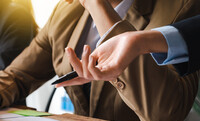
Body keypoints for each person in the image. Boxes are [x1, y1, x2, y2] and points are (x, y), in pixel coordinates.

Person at [0, 0, 200, 121]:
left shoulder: (181, 6)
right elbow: (20, 73)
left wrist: (98, 6)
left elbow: (163, 113)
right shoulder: (67, 10)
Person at [56, 14, 200, 87]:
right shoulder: (66, 11)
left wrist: (96, 4)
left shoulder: (178, 6)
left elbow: (161, 116)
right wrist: (138, 41)